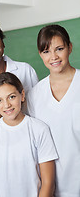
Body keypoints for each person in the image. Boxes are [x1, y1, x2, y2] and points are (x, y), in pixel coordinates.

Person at [0, 72, 58, 197]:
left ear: (22, 95)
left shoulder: (39, 129)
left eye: (11, 97)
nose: (6, 105)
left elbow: (48, 183)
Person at [26, 24, 80, 196]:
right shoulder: (34, 94)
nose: (54, 57)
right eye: (46, 51)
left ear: (70, 48)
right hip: (52, 184)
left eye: (59, 49)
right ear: (40, 54)